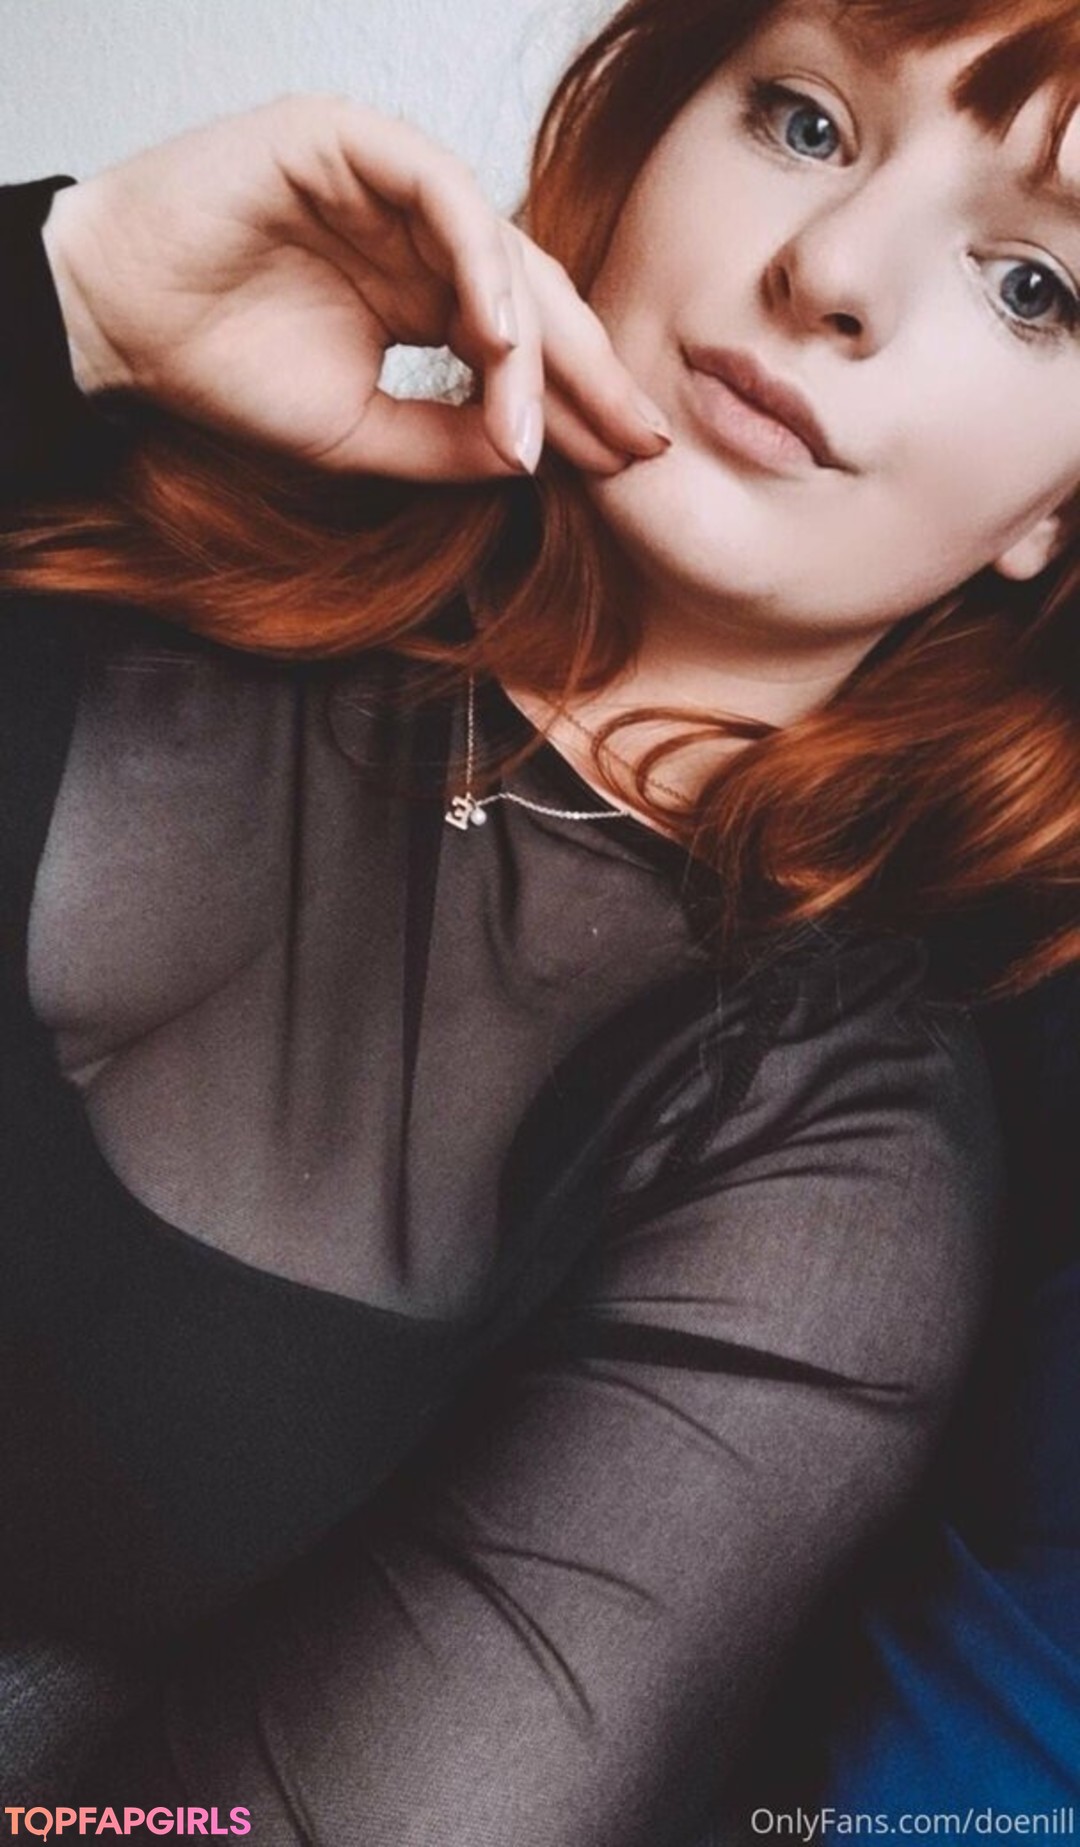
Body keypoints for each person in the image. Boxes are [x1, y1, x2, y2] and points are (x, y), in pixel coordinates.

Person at [0, 0, 1077, 1840]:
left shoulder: (821, 1151)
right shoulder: (134, 449)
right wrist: (67, 295)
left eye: (1034, 287)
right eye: (807, 123)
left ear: (1053, 516)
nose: (831, 272)